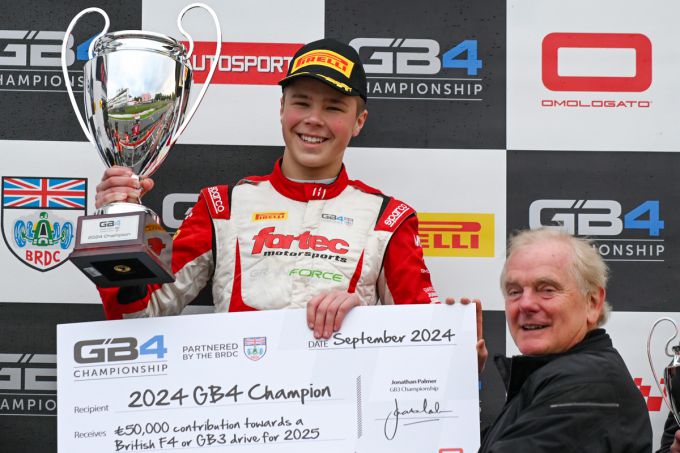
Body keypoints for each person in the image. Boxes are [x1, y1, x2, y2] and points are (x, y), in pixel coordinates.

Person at [95, 38, 439, 339]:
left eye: (333, 107)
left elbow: (424, 335)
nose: (314, 119)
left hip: (342, 393)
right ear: (282, 108)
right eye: (302, 102)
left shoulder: (388, 219)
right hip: (240, 393)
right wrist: (121, 230)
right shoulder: (221, 206)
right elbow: (138, 316)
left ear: (359, 121)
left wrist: (367, 322)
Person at [478, 228, 652, 452]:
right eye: (514, 292)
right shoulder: (557, 377)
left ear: (592, 303)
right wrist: (458, 382)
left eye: (547, 289)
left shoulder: (586, 385)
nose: (525, 304)